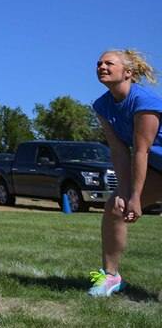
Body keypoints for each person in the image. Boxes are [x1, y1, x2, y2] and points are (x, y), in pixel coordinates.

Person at [87, 48, 162, 298]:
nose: (102, 66)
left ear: (128, 72)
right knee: (115, 207)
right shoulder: (102, 105)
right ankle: (111, 277)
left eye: (109, 63)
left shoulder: (145, 102)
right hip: (156, 169)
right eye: (99, 63)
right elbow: (119, 152)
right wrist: (125, 193)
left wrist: (136, 197)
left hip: (150, 160)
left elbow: (142, 151)